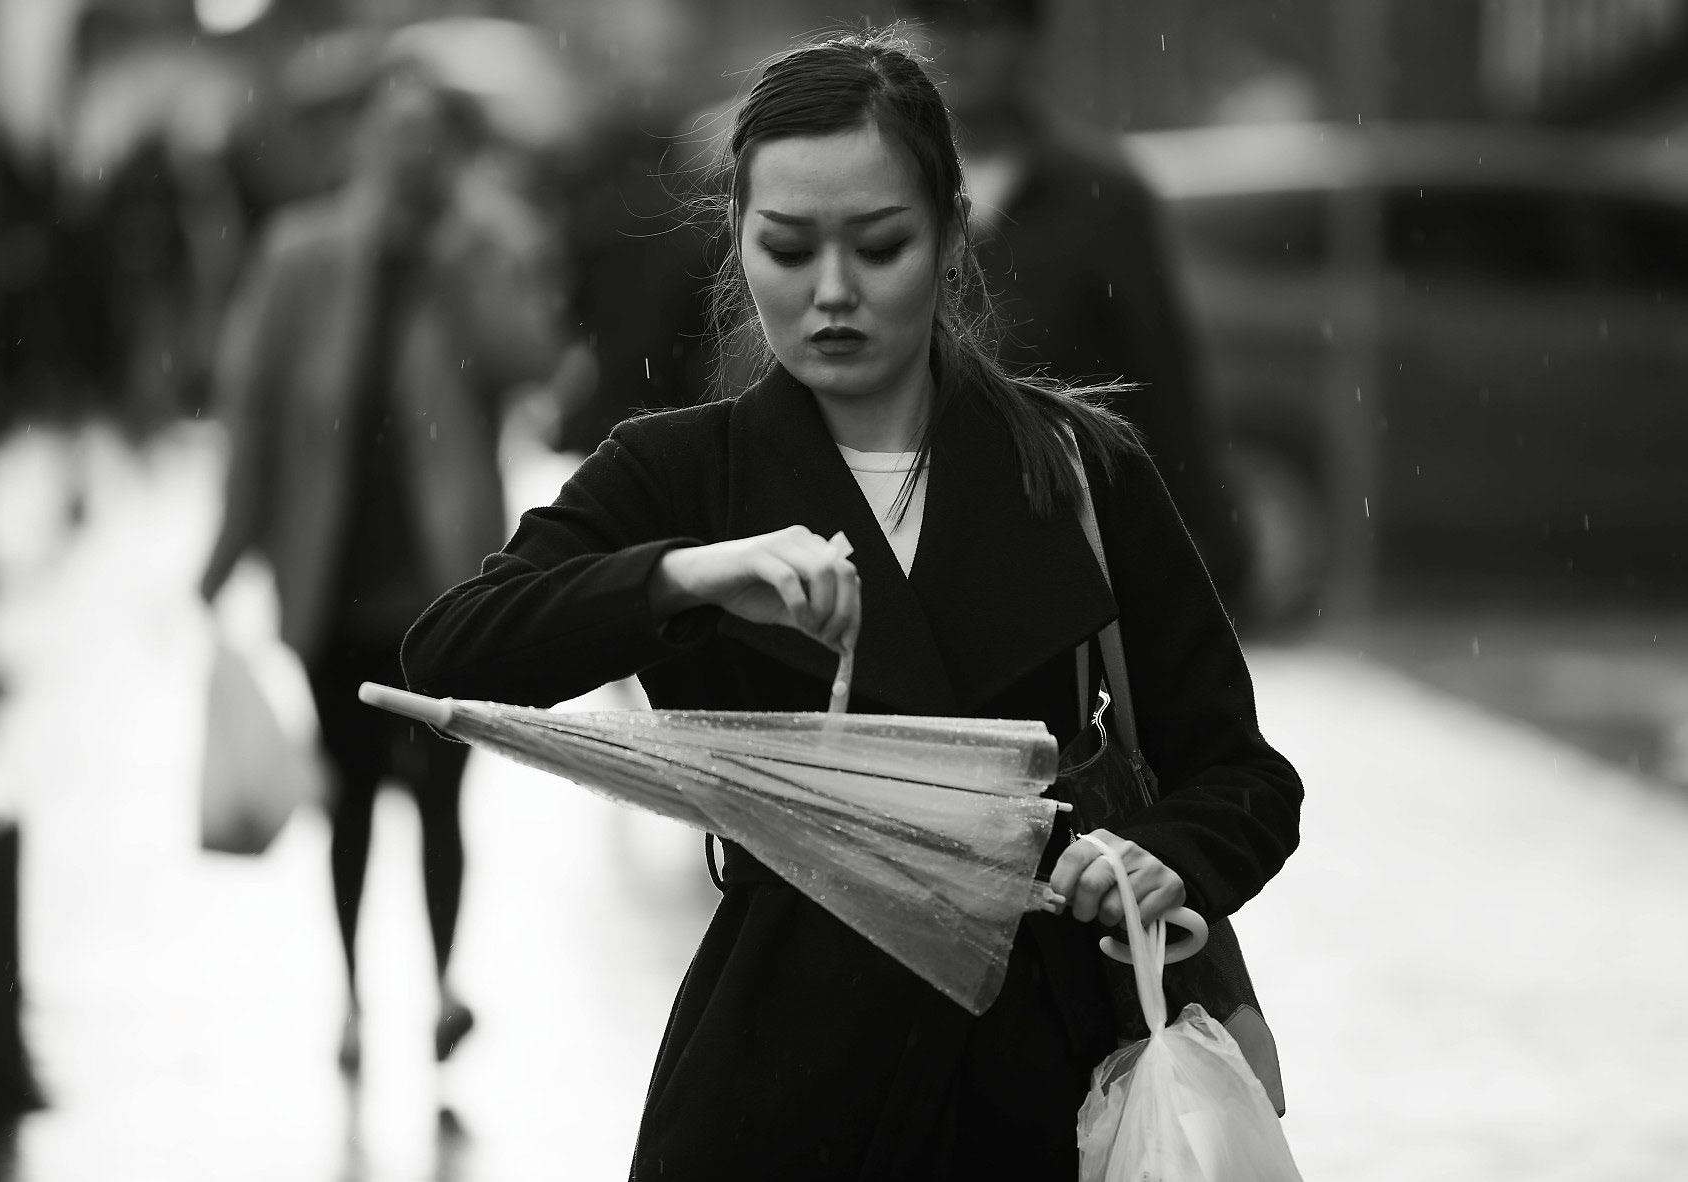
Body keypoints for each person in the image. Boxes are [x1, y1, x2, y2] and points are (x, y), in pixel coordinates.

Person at [402, 28, 1300, 1178]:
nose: (832, 293)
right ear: (736, 237)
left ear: (951, 235)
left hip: (1044, 1094)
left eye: (880, 246)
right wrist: (685, 574)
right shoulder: (682, 473)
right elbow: (452, 653)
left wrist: (1159, 856)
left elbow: (1242, 777)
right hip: (778, 1087)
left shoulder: (1080, 473)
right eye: (787, 247)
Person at [199, 65, 566, 1072]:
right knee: (352, 802)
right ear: (365, 146)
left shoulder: (482, 249)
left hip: (446, 593)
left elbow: (533, 359)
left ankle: (442, 989)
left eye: (428, 140)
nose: (412, 159)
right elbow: (255, 411)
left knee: (445, 801)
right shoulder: (302, 255)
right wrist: (226, 552)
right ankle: (355, 999)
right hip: (334, 584)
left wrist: (458, 265)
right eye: (395, 136)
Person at [906, 0, 1250, 612]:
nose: (953, 44)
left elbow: (1160, 384)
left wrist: (1211, 545)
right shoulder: (864, 179)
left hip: (1054, 550)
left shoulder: (1101, 199)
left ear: (1027, 37)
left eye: (980, 21)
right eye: (933, 19)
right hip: (884, 542)